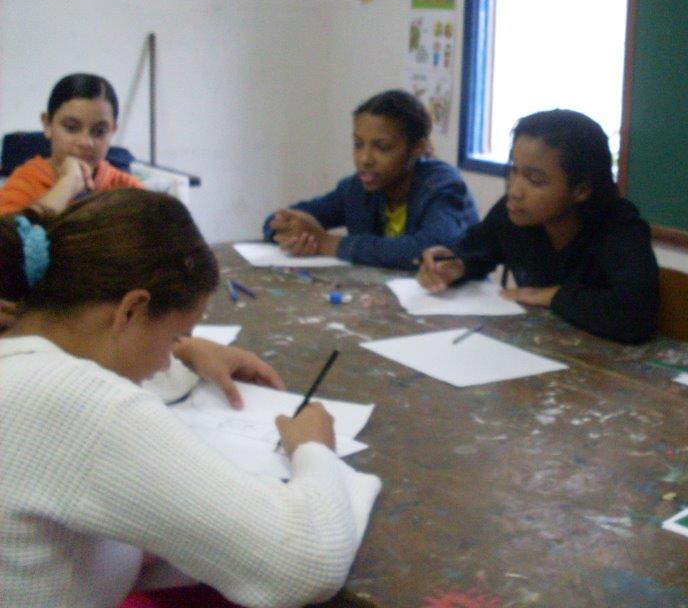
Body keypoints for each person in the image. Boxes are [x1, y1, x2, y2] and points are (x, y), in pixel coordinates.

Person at [0, 189, 380, 608]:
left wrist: (186, 351)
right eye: (173, 337)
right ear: (131, 309)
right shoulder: (84, 404)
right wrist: (314, 449)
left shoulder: (19, 346)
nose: (166, 362)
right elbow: (307, 563)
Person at [416, 109, 658, 344]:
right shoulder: (515, 213)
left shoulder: (619, 227)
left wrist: (552, 295)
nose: (515, 191)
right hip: (537, 346)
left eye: (535, 180)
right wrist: (454, 264)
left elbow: (635, 315)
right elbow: (478, 247)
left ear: (580, 190)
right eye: (514, 171)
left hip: (599, 360)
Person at [264, 89, 478, 270]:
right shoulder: (356, 188)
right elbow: (281, 218)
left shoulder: (443, 186)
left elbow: (429, 250)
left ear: (417, 148)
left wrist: (328, 243)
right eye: (358, 145)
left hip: (453, 303)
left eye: (382, 147)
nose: (364, 159)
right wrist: (290, 232)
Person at [0, 73, 143, 216]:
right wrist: (65, 187)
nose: (86, 142)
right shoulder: (25, 182)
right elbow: (11, 229)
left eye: (99, 131)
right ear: (48, 124)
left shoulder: (125, 188)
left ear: (112, 131)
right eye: (71, 128)